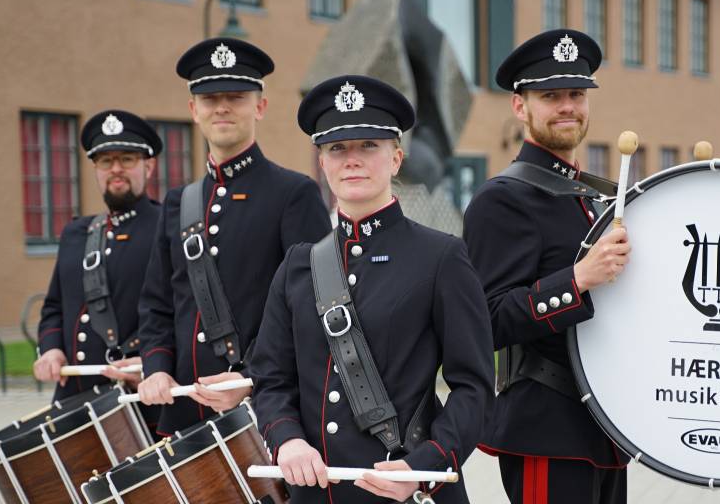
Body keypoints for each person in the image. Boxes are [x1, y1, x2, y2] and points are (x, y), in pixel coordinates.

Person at [250, 75, 495, 503]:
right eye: (337, 149)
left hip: (404, 492)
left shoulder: (441, 257)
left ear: (396, 158)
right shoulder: (297, 266)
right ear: (322, 163)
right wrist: (286, 439)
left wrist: (424, 466)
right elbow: (271, 379)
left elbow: (474, 389)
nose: (352, 160)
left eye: (368, 146)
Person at [462, 29, 632, 504]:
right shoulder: (502, 200)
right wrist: (577, 280)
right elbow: (486, 320)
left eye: (576, 94)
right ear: (521, 107)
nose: (567, 107)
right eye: (550, 95)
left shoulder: (594, 199)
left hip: (606, 426)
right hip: (545, 429)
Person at [136, 38, 331, 435]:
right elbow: (157, 304)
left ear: (260, 106)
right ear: (194, 110)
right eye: (209, 98)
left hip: (264, 413)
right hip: (185, 413)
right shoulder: (178, 202)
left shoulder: (293, 193)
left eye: (236, 96)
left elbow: (312, 307)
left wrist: (249, 379)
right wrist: (155, 369)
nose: (221, 106)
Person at [34, 110, 162, 420]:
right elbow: (54, 307)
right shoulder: (76, 233)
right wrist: (50, 348)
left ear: (149, 166)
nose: (116, 169)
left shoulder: (166, 228)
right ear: (95, 169)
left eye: (127, 159)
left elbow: (181, 312)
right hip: (74, 400)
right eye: (106, 161)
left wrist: (153, 363)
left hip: (138, 401)